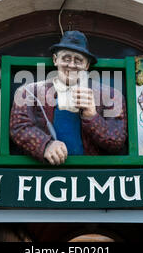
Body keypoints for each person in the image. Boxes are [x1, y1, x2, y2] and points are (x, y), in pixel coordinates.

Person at [10, 31, 127, 165]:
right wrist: (44, 145)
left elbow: (117, 141)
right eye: (66, 58)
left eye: (78, 60)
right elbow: (19, 127)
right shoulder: (29, 92)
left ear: (87, 65)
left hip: (92, 173)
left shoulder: (111, 95)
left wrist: (92, 117)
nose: (71, 65)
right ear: (55, 60)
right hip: (44, 173)